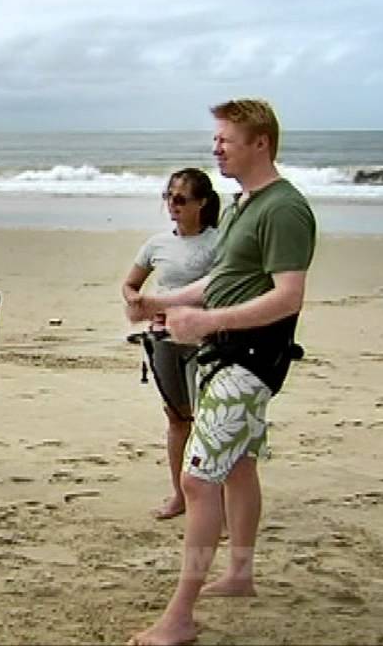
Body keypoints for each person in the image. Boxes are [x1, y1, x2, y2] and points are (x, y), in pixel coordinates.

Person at [126, 99, 316, 645]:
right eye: (215, 139)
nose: (216, 148)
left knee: (198, 479)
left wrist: (206, 322)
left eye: (226, 140)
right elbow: (221, 281)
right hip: (224, 357)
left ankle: (180, 616)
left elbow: (288, 296)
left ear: (261, 144)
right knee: (238, 468)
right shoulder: (239, 205)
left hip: (250, 362)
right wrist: (159, 303)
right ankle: (238, 574)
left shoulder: (284, 209)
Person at [121, 168, 220, 520]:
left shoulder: (218, 242)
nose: (172, 205)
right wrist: (136, 301)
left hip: (205, 340)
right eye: (168, 197)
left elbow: (223, 289)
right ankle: (179, 495)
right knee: (177, 419)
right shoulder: (157, 244)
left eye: (181, 199)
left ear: (202, 203)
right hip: (163, 340)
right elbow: (130, 284)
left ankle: (212, 503)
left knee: (210, 422)